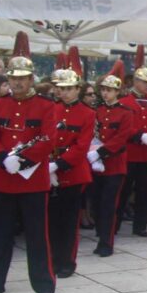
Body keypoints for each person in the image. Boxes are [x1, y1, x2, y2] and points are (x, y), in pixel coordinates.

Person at [0, 56, 57, 293]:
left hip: (32, 179)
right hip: (4, 178)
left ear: (31, 79)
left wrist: (24, 160)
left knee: (37, 235)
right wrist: (1, 158)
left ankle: (44, 284)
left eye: (22, 79)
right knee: (1, 235)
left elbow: (47, 138)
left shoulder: (45, 105)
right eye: (14, 78)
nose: (17, 83)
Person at [48, 69, 94, 278]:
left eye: (68, 89)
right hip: (48, 170)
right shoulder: (51, 109)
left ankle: (67, 261)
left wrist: (58, 164)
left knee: (68, 220)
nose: (64, 93)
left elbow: (81, 146)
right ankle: (53, 259)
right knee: (52, 219)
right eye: (61, 89)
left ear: (77, 89)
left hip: (72, 171)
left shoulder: (87, 113)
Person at [89, 63, 135, 257]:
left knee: (109, 204)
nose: (106, 93)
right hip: (95, 164)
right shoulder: (96, 111)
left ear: (118, 92)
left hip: (114, 164)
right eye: (104, 90)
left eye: (110, 90)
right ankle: (100, 233)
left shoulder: (125, 112)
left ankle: (106, 241)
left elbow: (121, 138)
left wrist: (101, 152)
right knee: (97, 203)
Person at [119, 67, 147, 237]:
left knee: (145, 191)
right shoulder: (125, 102)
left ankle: (140, 225)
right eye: (144, 82)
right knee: (124, 190)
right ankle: (114, 224)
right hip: (131, 151)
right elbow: (123, 127)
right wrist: (138, 135)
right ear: (136, 82)